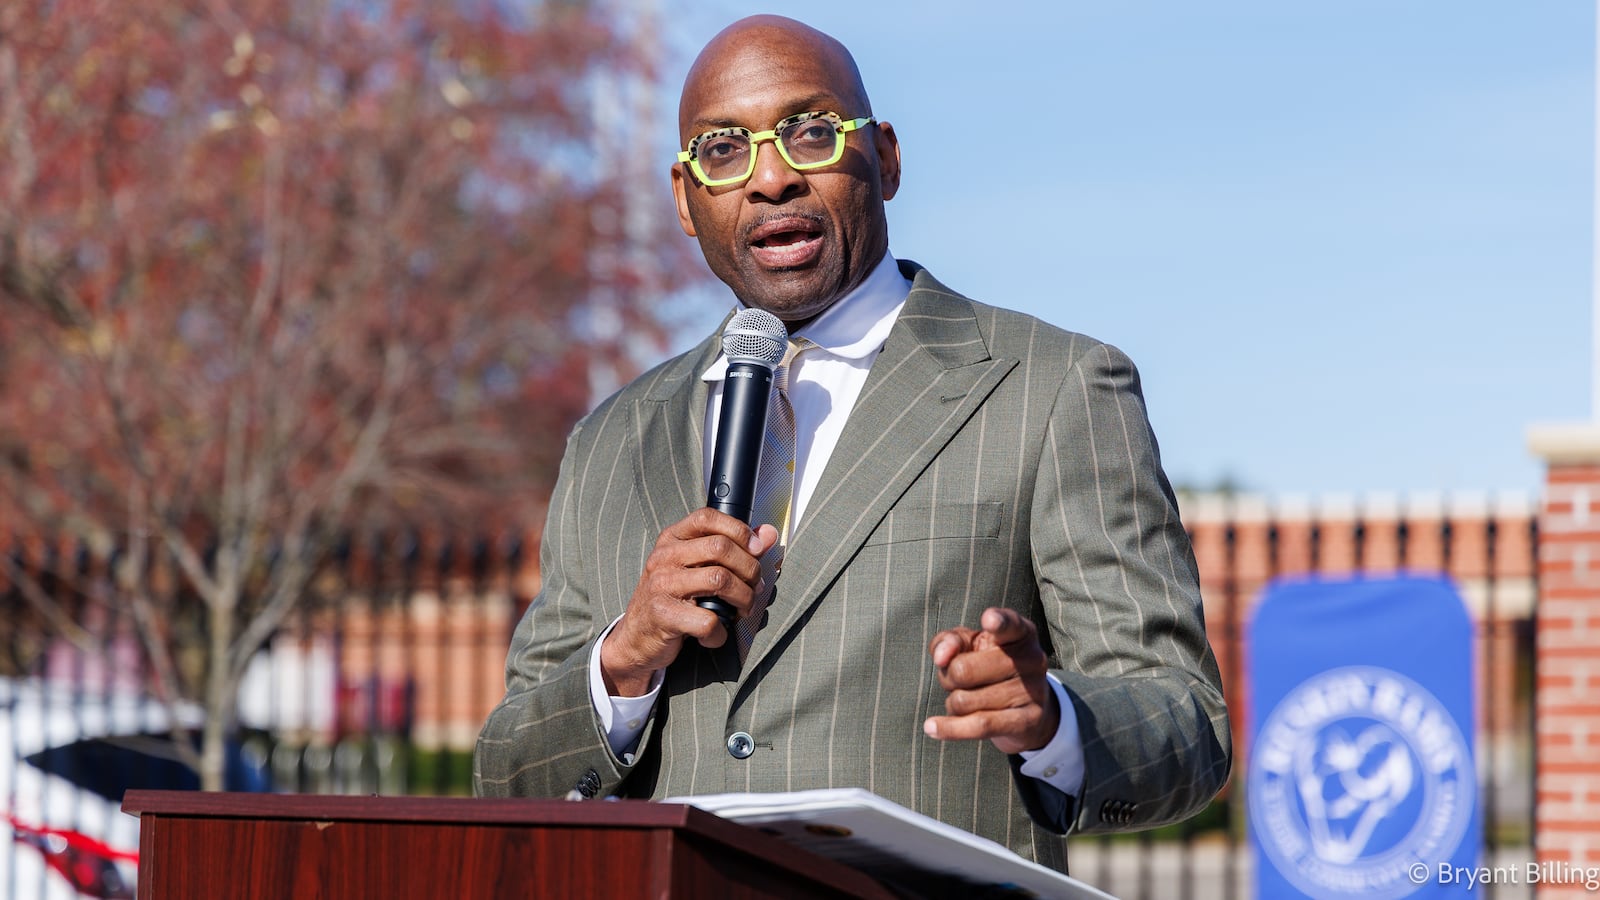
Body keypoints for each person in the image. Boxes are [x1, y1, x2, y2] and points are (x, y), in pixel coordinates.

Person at [474, 14, 1231, 872]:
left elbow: (1189, 727)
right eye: (724, 150)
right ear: (686, 201)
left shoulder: (1054, 387)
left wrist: (1052, 720)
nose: (770, 178)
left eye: (808, 132)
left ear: (888, 158)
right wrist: (623, 659)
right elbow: (508, 774)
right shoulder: (610, 439)